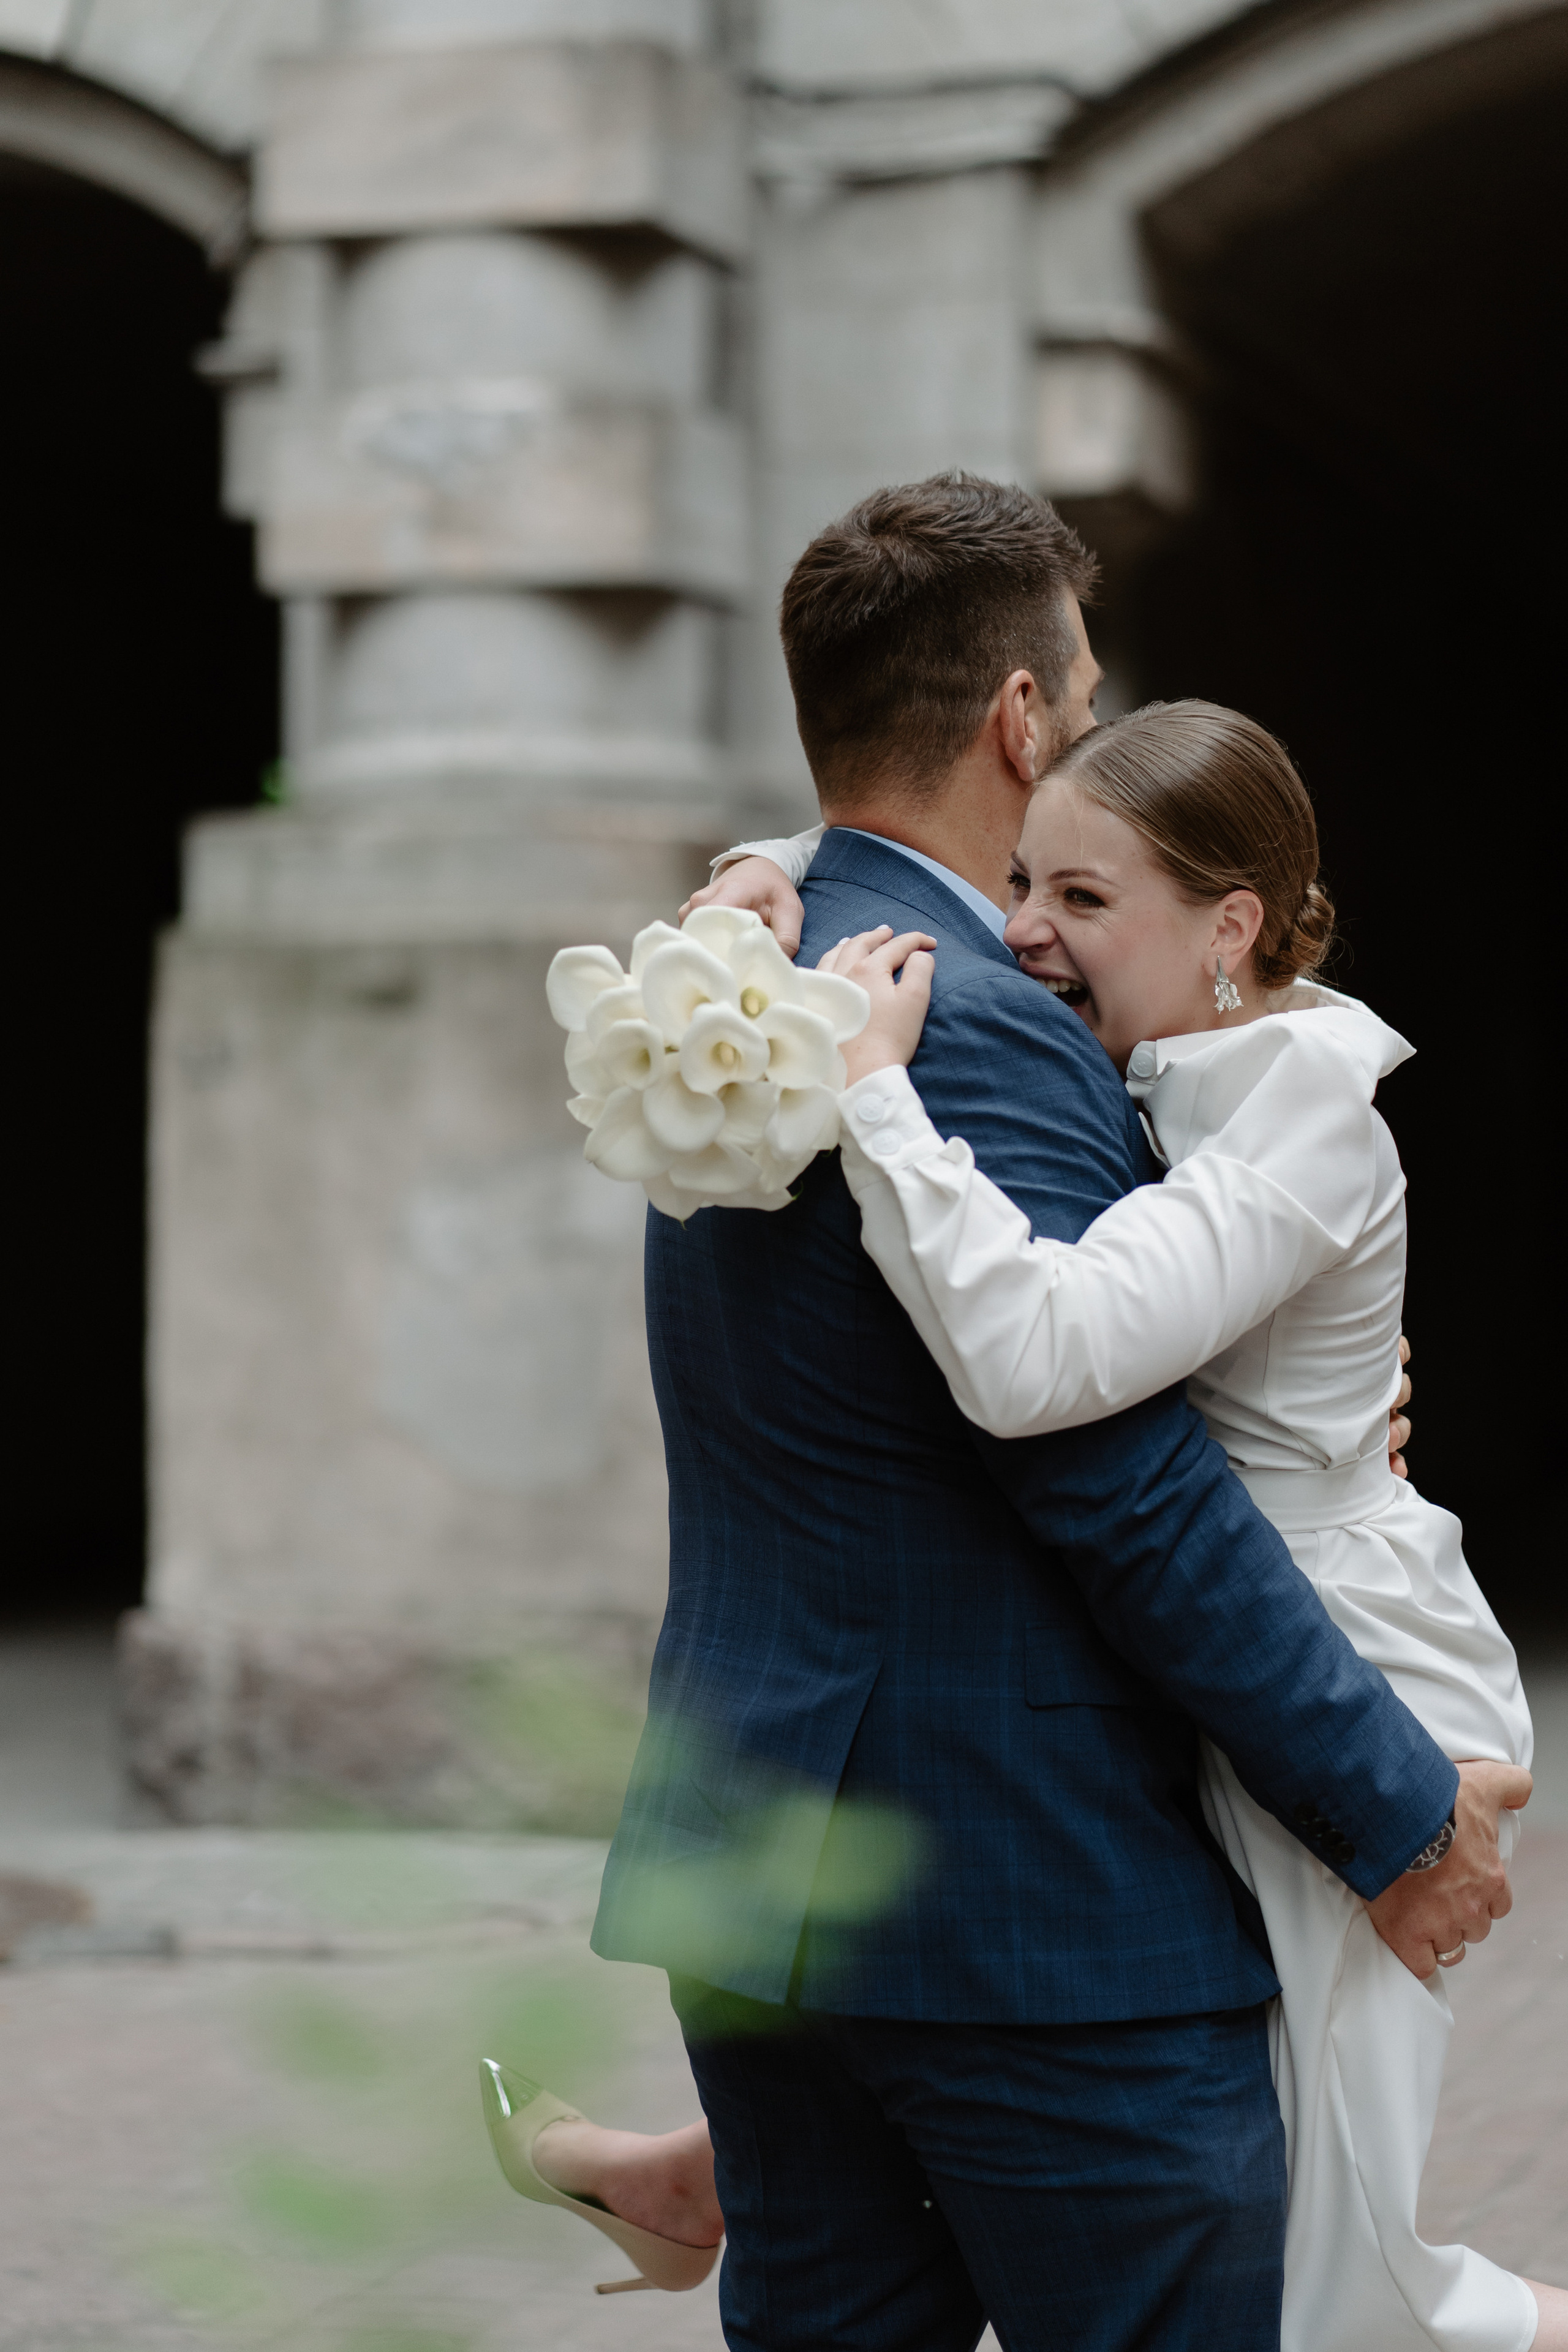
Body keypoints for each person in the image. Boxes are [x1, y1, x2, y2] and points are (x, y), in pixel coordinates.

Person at [485, 477, 1526, 2351]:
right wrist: (1395, 1815)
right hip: (1025, 1906)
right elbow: (1117, 1488)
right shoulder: (969, 1021)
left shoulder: (735, 976)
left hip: (758, 1861)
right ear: (1023, 719)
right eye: (1091, 691)